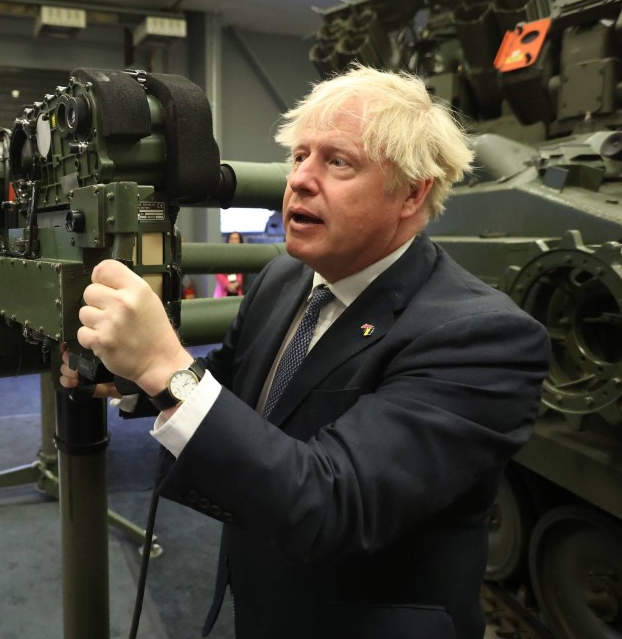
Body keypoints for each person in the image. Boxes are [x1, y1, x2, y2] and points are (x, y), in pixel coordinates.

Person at [60, 65, 550, 639]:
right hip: (268, 597)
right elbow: (232, 388)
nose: (300, 180)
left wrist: (162, 367)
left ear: (412, 194)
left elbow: (333, 503)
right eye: (299, 157)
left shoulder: (483, 336)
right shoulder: (285, 279)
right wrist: (130, 378)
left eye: (337, 162)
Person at [213, 231, 245, 297]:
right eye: (231, 238)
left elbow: (243, 273)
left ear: (240, 241)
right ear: (228, 240)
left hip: (238, 291)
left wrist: (236, 284)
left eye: (236, 239)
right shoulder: (222, 255)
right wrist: (227, 285)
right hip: (223, 292)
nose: (233, 241)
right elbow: (218, 272)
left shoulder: (243, 256)